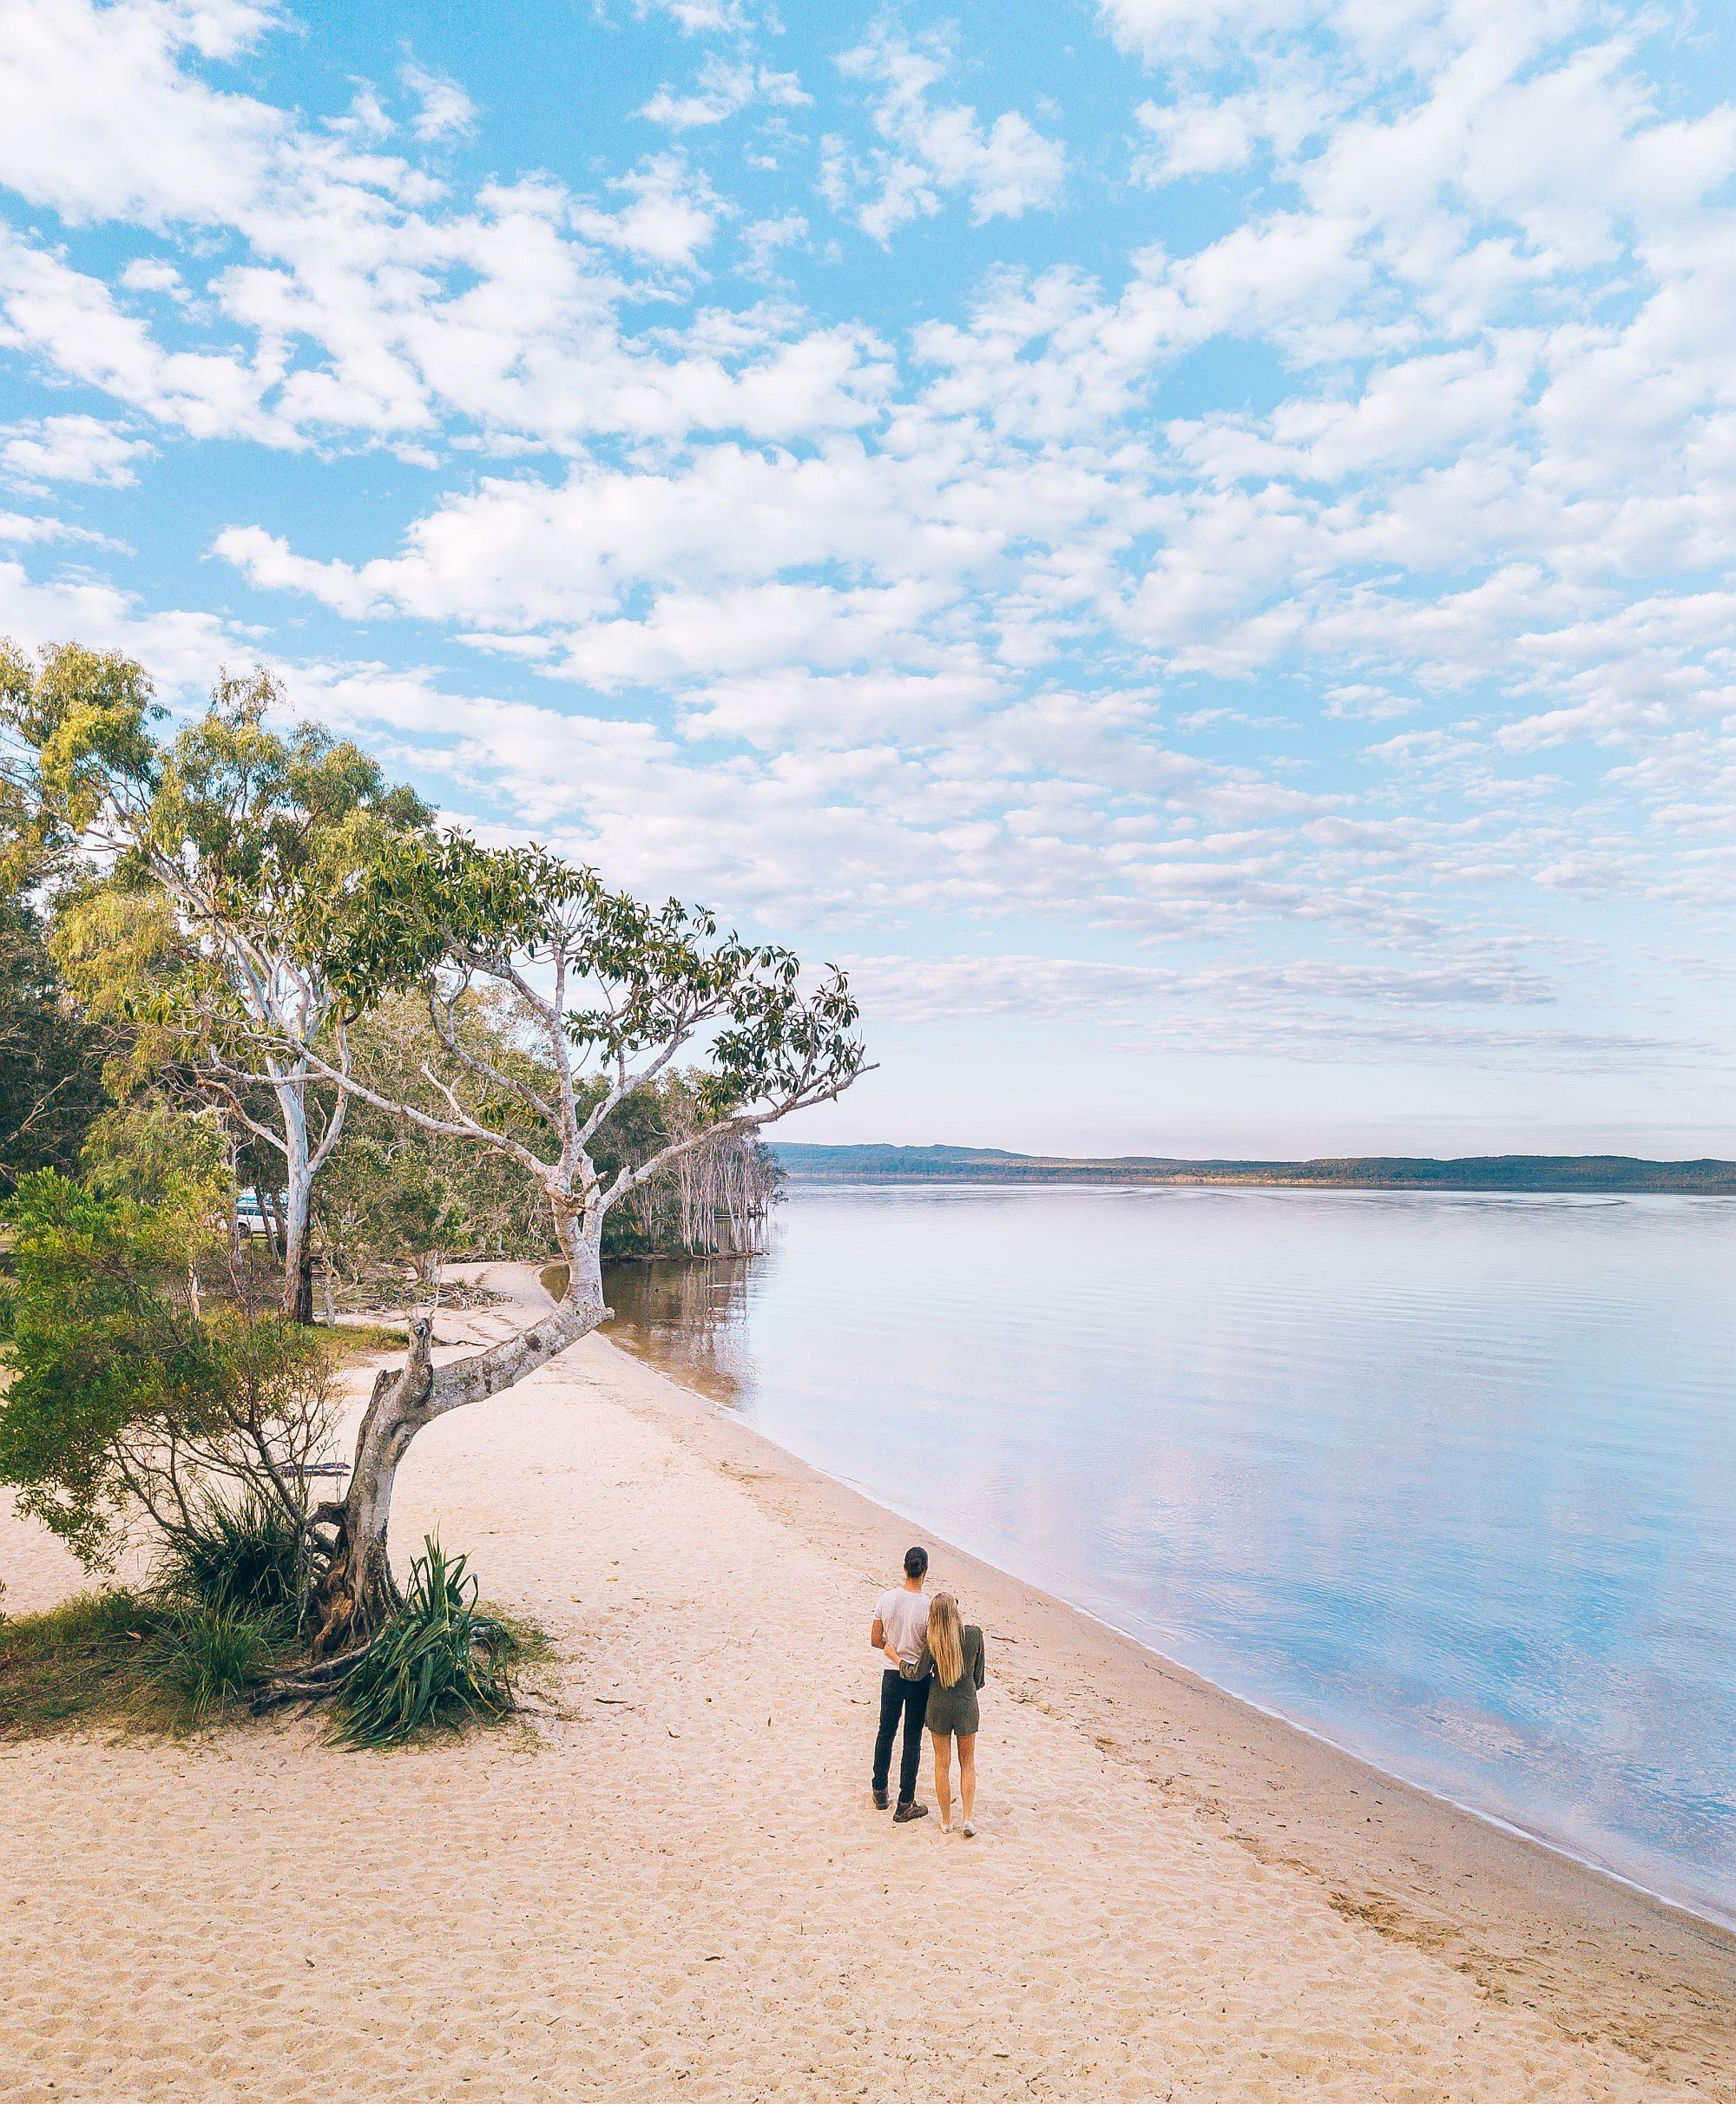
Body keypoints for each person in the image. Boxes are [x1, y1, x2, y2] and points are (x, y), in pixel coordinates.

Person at [870, 1545, 932, 1822]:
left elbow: (875, 1639)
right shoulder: (928, 1606)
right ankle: (905, 1800)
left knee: (886, 1732)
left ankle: (880, 1790)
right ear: (925, 1572)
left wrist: (891, 1649)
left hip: (892, 1674)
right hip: (918, 1679)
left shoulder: (887, 1598)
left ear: (904, 1568)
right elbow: (933, 1648)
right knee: (912, 1739)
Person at [917, 1592, 986, 1837]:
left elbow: (918, 1673)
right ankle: (967, 1818)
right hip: (966, 1702)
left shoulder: (932, 1641)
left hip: (939, 1703)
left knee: (941, 1764)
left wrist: (895, 1657)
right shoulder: (974, 1635)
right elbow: (979, 1677)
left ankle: (946, 1820)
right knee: (967, 1762)